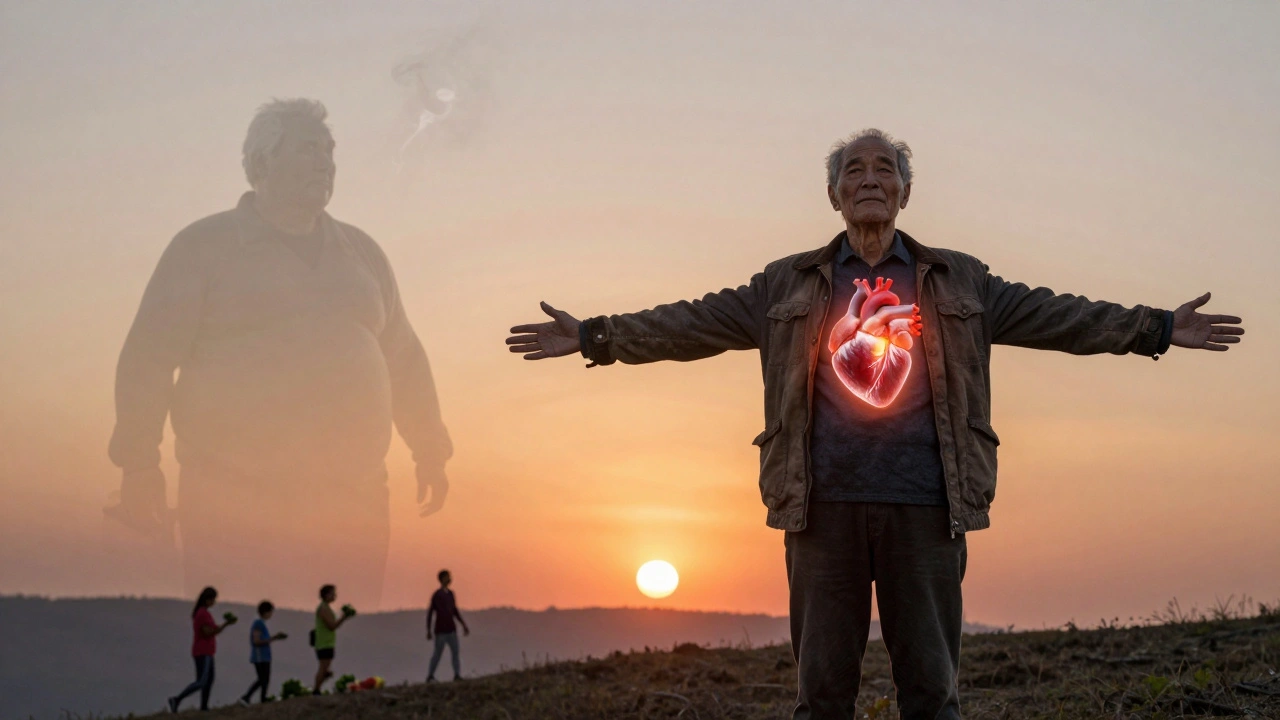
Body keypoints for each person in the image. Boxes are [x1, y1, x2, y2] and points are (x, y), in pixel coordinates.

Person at [505, 129, 1246, 719]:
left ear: (906, 191)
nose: (869, 178)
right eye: (853, 169)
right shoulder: (785, 285)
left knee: (931, 691)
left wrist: (1153, 327)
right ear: (832, 194)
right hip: (820, 509)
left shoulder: (960, 279)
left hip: (926, 505)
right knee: (822, 693)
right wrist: (596, 337)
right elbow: (692, 321)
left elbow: (1061, 315)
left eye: (884, 168)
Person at [106, 98, 453, 610]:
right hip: (233, 504)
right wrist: (138, 466)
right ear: (262, 163)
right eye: (308, 149)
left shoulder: (362, 253)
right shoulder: (202, 247)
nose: (325, 162)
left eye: (329, 151)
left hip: (352, 503)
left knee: (340, 653)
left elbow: (403, 358)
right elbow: (148, 359)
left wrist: (431, 449)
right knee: (245, 650)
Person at [168, 586, 236, 712]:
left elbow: (214, 630)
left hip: (208, 651)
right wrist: (224, 625)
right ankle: (177, 699)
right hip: (202, 651)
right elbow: (207, 632)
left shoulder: (204, 613)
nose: (214, 602)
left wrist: (226, 624)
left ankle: (204, 706)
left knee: (209, 680)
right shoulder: (202, 614)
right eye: (212, 599)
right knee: (201, 681)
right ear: (207, 600)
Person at [426, 569, 470, 682]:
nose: (450, 579)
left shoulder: (451, 594)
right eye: (447, 577)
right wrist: (428, 630)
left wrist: (463, 624)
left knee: (455, 653)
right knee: (437, 654)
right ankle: (430, 675)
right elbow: (431, 612)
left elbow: (454, 611)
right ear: (442, 579)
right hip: (440, 631)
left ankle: (457, 675)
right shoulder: (437, 595)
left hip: (451, 629)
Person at [239, 600, 286, 705]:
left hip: (264, 656)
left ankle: (262, 698)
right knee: (262, 679)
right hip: (260, 657)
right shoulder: (258, 624)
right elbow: (256, 640)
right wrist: (273, 638)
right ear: (266, 612)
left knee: (265, 679)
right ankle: (247, 696)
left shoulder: (261, 624)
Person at [313, 584, 352, 694]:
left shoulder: (326, 608)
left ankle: (318, 688)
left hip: (327, 642)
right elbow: (332, 626)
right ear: (326, 595)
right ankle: (316, 690)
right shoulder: (323, 609)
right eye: (332, 594)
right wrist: (343, 617)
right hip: (324, 643)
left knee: (325, 667)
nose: (334, 596)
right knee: (323, 667)